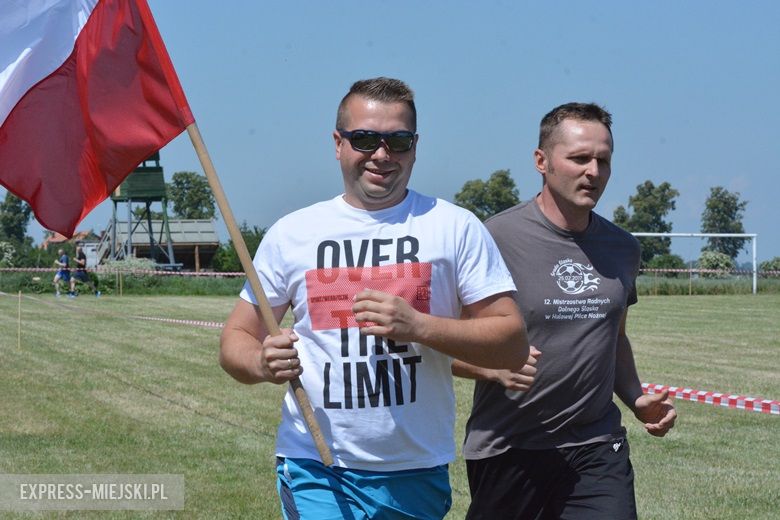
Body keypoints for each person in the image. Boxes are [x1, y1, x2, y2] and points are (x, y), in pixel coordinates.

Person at [219, 77, 529, 519]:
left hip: (414, 469)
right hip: (317, 464)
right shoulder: (292, 233)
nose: (382, 154)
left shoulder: (454, 227)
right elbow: (236, 337)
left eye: (398, 140)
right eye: (365, 139)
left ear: (415, 146)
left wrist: (419, 326)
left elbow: (512, 342)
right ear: (338, 143)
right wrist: (259, 363)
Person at [453, 102, 677, 519]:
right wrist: (492, 369)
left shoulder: (623, 248)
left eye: (603, 160)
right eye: (579, 158)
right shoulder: (493, 238)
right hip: (509, 446)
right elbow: (442, 340)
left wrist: (636, 398)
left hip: (596, 446)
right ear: (541, 161)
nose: (593, 171)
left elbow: (614, 338)